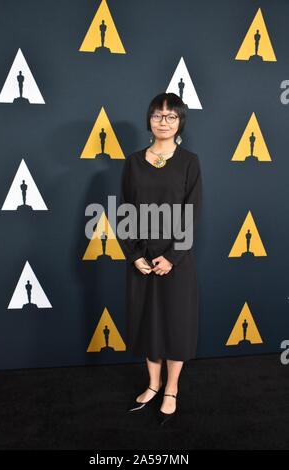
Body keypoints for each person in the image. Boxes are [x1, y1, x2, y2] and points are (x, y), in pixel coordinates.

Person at [118, 92, 202, 425]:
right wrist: (135, 254)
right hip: (142, 259)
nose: (163, 122)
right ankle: (153, 384)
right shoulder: (133, 161)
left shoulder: (189, 161)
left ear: (180, 121)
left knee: (176, 325)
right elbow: (125, 210)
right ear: (149, 120)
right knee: (148, 325)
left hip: (175, 262)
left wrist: (173, 257)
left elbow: (192, 213)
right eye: (157, 115)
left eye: (170, 116)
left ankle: (171, 389)